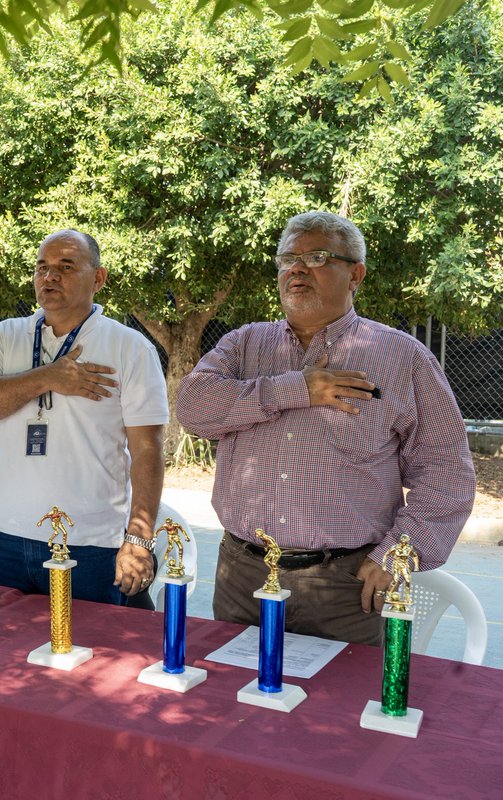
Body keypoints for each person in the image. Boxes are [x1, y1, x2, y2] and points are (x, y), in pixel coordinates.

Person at [175, 211, 475, 645]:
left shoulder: (401, 358)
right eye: (287, 258)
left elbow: (447, 471)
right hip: (242, 578)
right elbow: (193, 407)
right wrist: (296, 388)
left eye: (316, 257)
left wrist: (398, 552)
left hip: (347, 589)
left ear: (355, 274)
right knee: (236, 708)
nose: (297, 268)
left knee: (344, 710)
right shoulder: (244, 344)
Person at [0, 229, 168, 607]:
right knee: (1, 655)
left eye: (65, 267)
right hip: (6, 538)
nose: (49, 276)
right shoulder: (6, 336)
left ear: (98, 278)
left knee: (91, 658)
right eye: (42, 267)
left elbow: (147, 450)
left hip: (90, 544)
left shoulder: (130, 347)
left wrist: (139, 538)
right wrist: (47, 377)